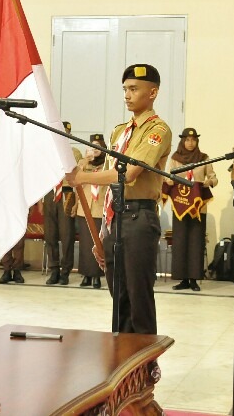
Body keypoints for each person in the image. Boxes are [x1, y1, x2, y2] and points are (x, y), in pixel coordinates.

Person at [66, 64, 172, 334]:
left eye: (134, 89)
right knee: (119, 299)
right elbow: (107, 180)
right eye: (125, 89)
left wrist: (81, 177)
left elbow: (128, 174)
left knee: (139, 298)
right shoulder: (120, 131)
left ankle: (146, 367)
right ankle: (123, 362)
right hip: (116, 219)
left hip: (139, 217)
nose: (127, 95)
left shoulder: (157, 130)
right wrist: (103, 232)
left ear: (153, 92)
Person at [163, 128, 217, 292]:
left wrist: (210, 182)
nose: (190, 143)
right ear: (182, 141)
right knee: (180, 242)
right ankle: (183, 279)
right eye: (187, 140)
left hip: (198, 208)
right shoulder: (175, 158)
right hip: (180, 205)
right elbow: (167, 176)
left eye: (193, 140)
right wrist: (170, 180)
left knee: (196, 242)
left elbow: (213, 177)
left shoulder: (203, 158)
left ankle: (194, 279)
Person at [43, 121, 83, 286]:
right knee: (50, 235)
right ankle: (53, 269)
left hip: (66, 193)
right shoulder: (47, 152)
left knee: (67, 236)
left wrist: (76, 202)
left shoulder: (75, 153)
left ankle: (65, 271)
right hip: (50, 194)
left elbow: (79, 179)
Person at [74, 134, 108, 289]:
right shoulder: (82, 163)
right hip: (84, 207)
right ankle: (86, 275)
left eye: (98, 147)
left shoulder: (107, 164)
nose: (95, 150)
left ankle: (97, 276)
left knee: (98, 244)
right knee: (85, 244)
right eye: (92, 147)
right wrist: (86, 160)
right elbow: (75, 180)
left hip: (100, 208)